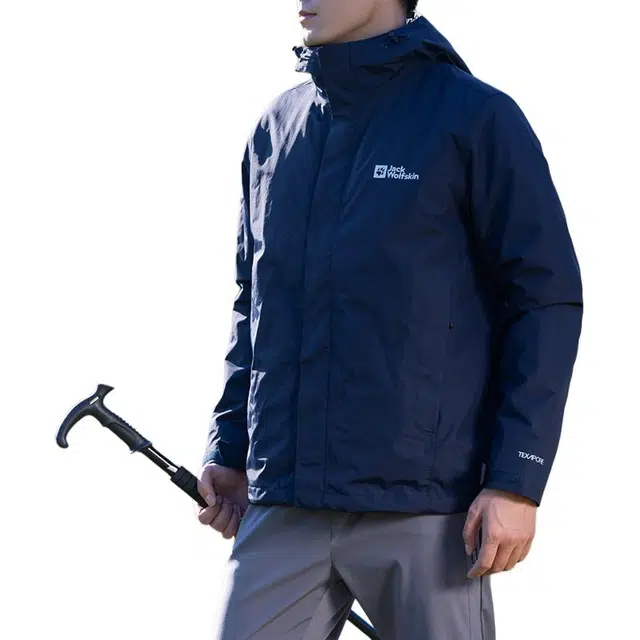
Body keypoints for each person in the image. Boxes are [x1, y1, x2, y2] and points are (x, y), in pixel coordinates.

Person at [196, 1, 583, 638]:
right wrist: (230, 445)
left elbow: (544, 301)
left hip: (428, 510)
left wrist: (516, 480)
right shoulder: (276, 128)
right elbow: (254, 302)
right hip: (284, 505)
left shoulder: (474, 118)